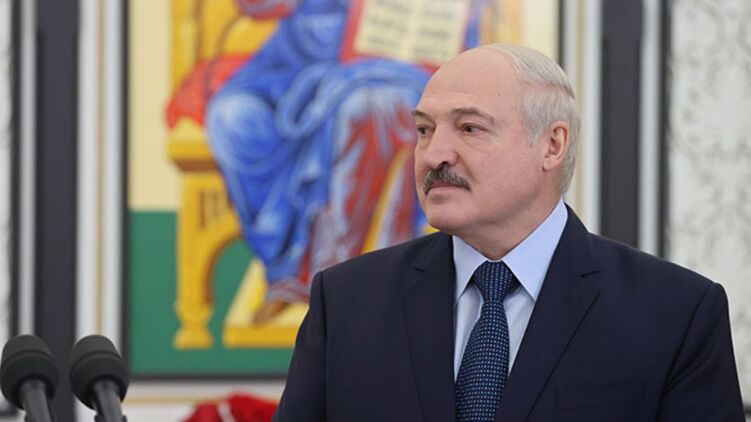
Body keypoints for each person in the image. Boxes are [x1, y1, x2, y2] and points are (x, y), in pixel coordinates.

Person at [272, 43, 745, 421]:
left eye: (469, 128)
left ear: (552, 145)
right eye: (424, 130)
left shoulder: (676, 313)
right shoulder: (346, 302)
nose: (434, 155)